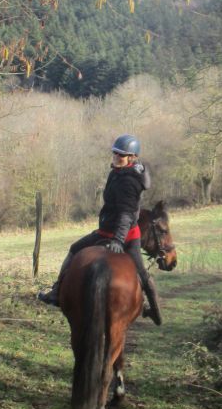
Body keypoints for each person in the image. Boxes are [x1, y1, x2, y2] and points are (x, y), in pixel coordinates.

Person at [37, 133, 162, 325]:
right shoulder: (117, 172)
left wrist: (118, 240)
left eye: (121, 155)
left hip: (126, 236)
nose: (116, 157)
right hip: (106, 231)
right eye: (115, 153)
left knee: (142, 275)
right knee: (74, 249)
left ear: (132, 158)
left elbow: (126, 214)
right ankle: (56, 291)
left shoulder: (129, 181)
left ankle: (153, 310)